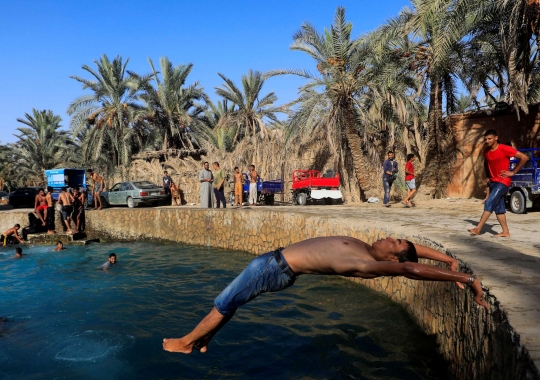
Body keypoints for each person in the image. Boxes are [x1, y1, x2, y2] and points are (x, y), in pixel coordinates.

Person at [162, 236, 489, 354]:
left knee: (223, 303)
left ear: (392, 258)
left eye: (395, 243)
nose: (391, 237)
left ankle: (186, 342)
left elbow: (409, 268)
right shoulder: (370, 250)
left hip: (273, 268)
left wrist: (466, 278)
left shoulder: (366, 262)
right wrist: (446, 259)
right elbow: (412, 256)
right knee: (230, 303)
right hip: (274, 265)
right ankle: (205, 340)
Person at [468, 130, 529, 237]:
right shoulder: (486, 151)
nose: (487, 141)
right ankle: (506, 232)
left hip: (503, 182)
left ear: (496, 138)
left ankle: (478, 228)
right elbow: (486, 164)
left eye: (490, 139)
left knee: (489, 202)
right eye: (486, 139)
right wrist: (488, 176)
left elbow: (524, 158)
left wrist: (513, 172)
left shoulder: (504, 148)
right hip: (493, 182)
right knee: (499, 208)